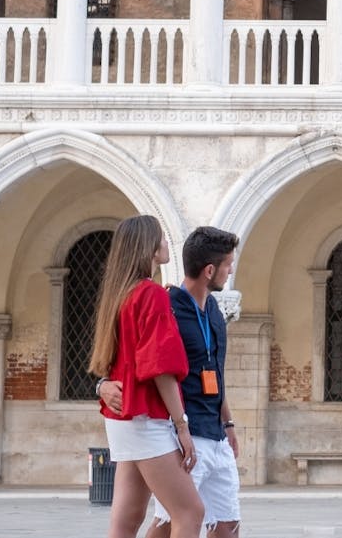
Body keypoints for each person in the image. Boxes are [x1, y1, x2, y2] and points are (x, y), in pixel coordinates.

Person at [100, 226, 242, 538]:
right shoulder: (158, 298)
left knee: (131, 518)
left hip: (202, 429)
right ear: (209, 270)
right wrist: (181, 426)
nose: (231, 270)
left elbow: (216, 373)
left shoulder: (214, 311)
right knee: (182, 515)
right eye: (228, 264)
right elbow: (153, 365)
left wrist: (228, 423)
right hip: (169, 426)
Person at [90, 215, 204, 538]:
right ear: (150, 248)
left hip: (122, 418)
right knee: (190, 512)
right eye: (162, 238)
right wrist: (181, 426)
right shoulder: (151, 295)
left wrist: (99, 386)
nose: (167, 243)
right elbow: (161, 368)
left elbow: (108, 362)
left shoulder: (118, 295)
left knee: (127, 519)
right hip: (145, 416)